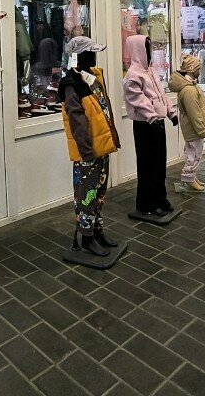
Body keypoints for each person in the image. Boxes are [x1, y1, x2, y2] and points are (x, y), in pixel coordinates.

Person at [58, 36, 121, 257]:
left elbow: (103, 111)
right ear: (79, 56)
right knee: (86, 194)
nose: (94, 57)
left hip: (101, 146)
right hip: (87, 152)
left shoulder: (92, 78)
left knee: (99, 193)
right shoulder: (71, 85)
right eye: (90, 53)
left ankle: (97, 230)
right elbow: (76, 121)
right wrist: (86, 151)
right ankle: (86, 237)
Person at [124, 35, 177, 216]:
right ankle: (147, 202)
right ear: (137, 50)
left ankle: (160, 197)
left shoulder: (152, 71)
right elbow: (137, 99)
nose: (149, 52)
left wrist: (171, 113)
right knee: (147, 164)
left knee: (160, 162)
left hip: (157, 123)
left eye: (149, 48)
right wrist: (152, 117)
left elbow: (161, 94)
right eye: (145, 48)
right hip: (144, 125)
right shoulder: (133, 75)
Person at [168, 54, 205, 192]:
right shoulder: (189, 90)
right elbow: (194, 113)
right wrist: (202, 130)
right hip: (193, 128)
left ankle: (191, 176)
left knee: (194, 152)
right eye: (198, 68)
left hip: (193, 127)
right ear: (192, 69)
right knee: (193, 154)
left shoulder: (191, 85)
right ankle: (189, 177)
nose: (199, 70)